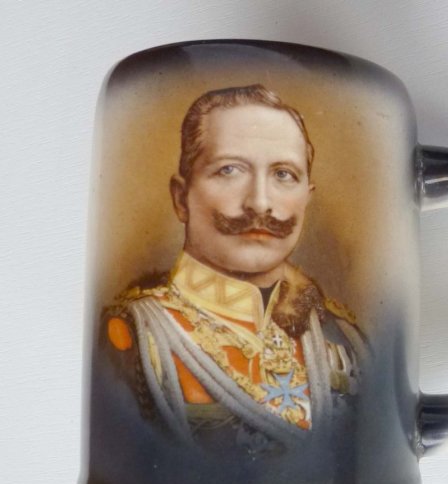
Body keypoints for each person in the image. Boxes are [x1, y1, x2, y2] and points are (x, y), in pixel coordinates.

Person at [103, 84, 367, 454]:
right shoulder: (132, 340)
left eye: (283, 174)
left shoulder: (346, 340)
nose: (259, 202)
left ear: (306, 197)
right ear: (181, 198)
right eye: (230, 170)